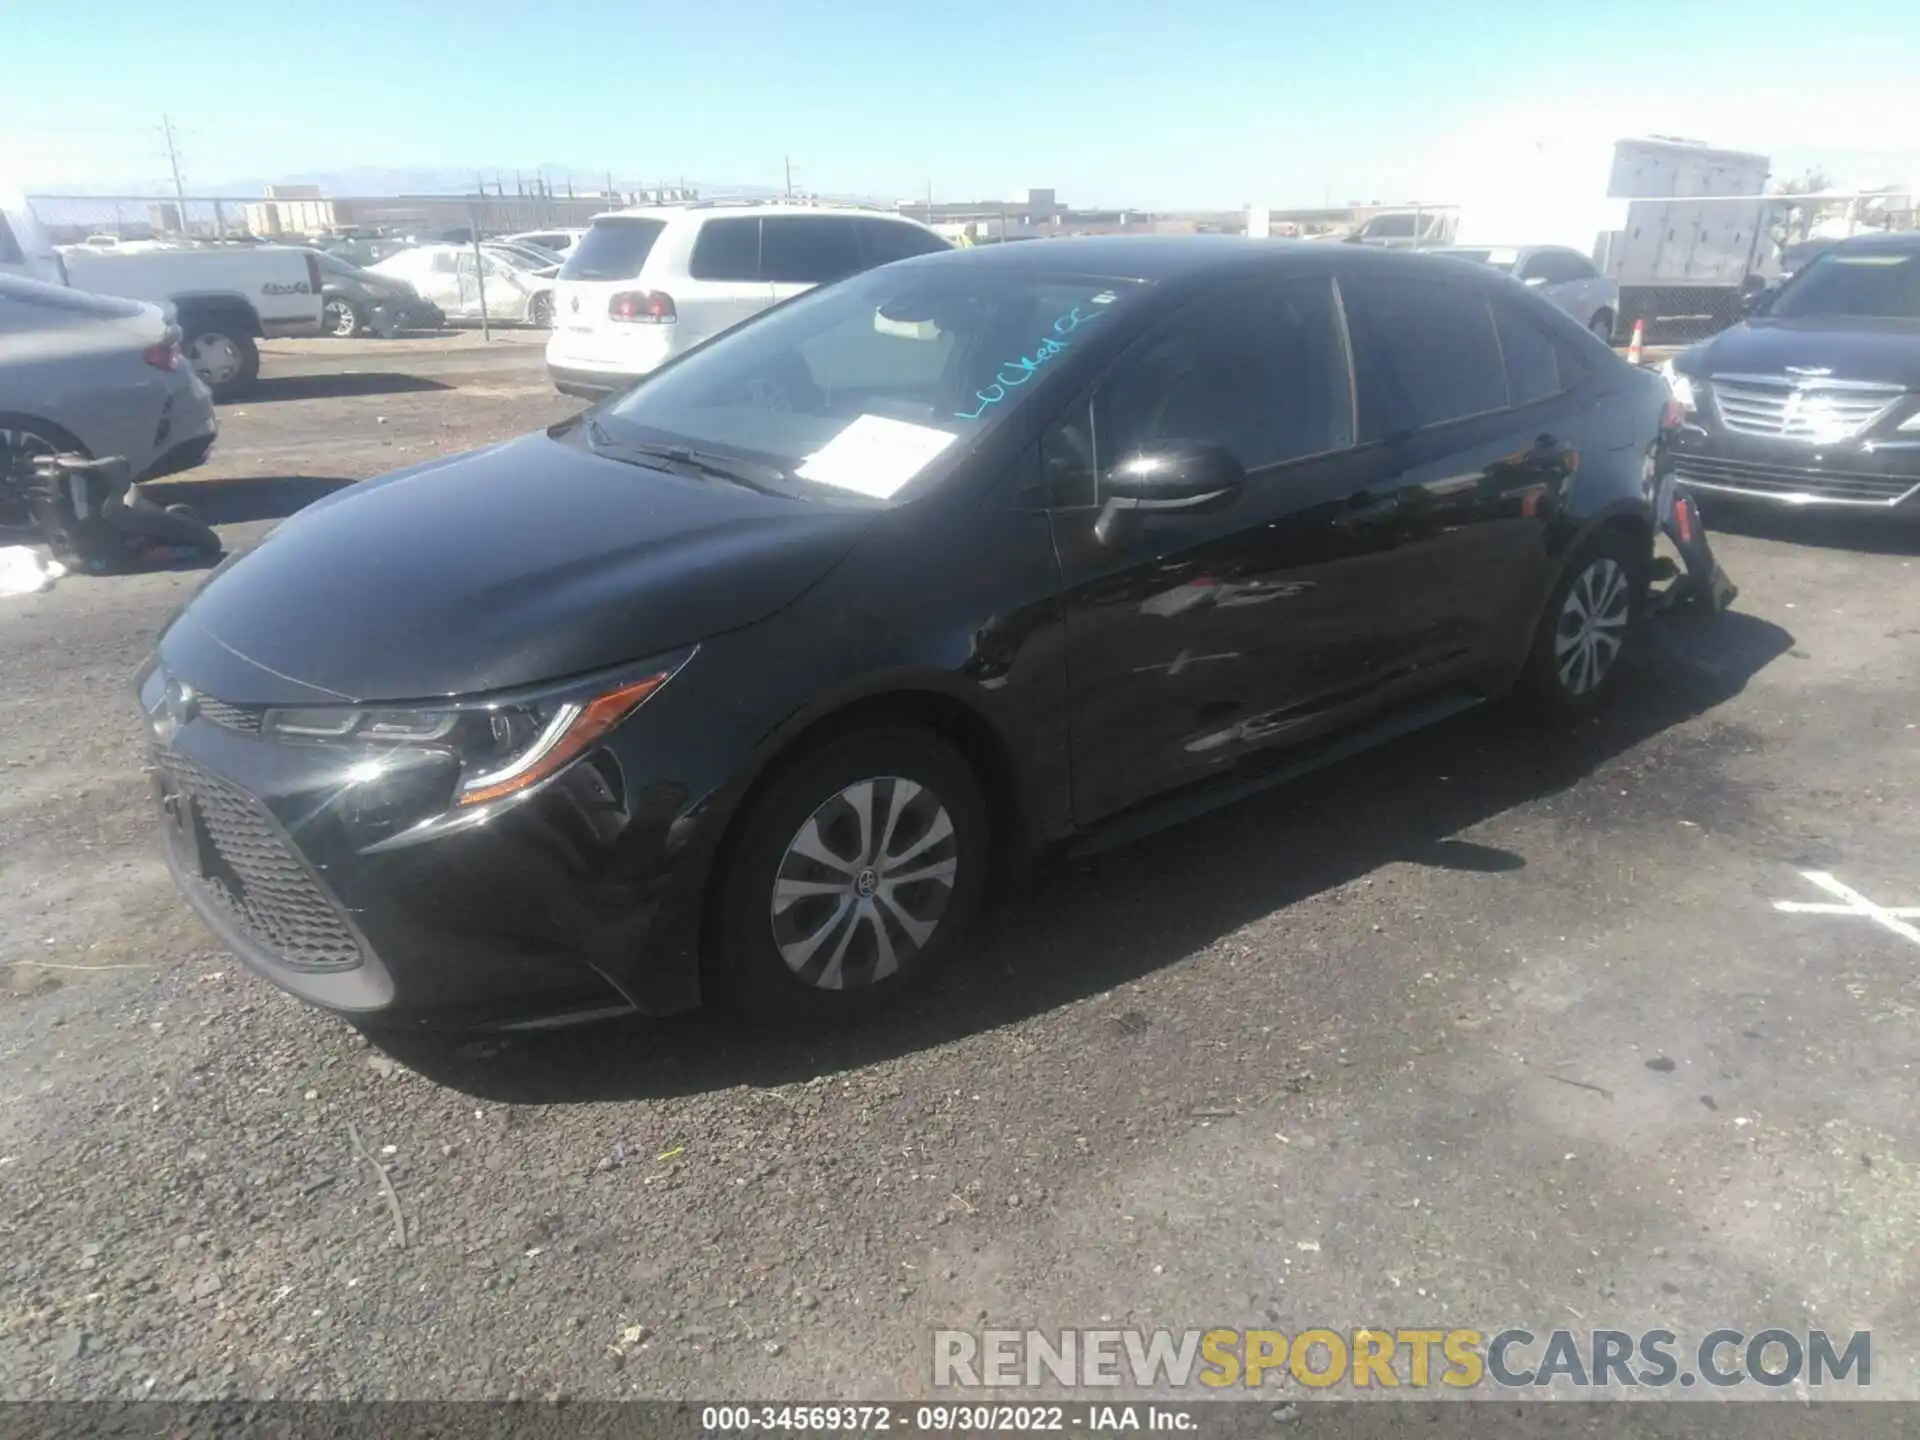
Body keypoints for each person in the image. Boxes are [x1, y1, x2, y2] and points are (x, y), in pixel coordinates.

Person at [1, 437, 222, 574]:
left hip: (81, 551)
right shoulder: (125, 529)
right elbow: (212, 544)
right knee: (200, 540)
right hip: (108, 546)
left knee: (140, 506)